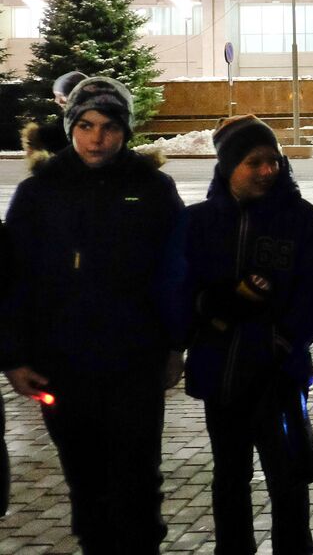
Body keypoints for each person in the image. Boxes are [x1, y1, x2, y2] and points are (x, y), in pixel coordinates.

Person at [0, 76, 184, 552]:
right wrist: (15, 357)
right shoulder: (40, 193)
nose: (96, 138)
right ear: (70, 126)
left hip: (134, 365)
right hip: (63, 367)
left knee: (139, 484)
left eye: (108, 126)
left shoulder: (152, 189)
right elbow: (15, 280)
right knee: (87, 485)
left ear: (126, 130)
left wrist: (173, 344)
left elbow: (174, 273)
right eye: (85, 125)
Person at [163, 115, 313, 555]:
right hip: (222, 372)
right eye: (254, 162)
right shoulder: (200, 222)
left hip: (278, 372)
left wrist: (287, 339)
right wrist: (201, 315)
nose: (267, 170)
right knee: (230, 475)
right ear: (228, 166)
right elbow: (179, 287)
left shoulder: (298, 217)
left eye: (274, 160)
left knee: (287, 476)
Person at [20, 69, 87, 165]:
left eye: (59, 96)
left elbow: (60, 136)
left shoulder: (72, 119)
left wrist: (36, 136)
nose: (57, 101)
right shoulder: (89, 114)